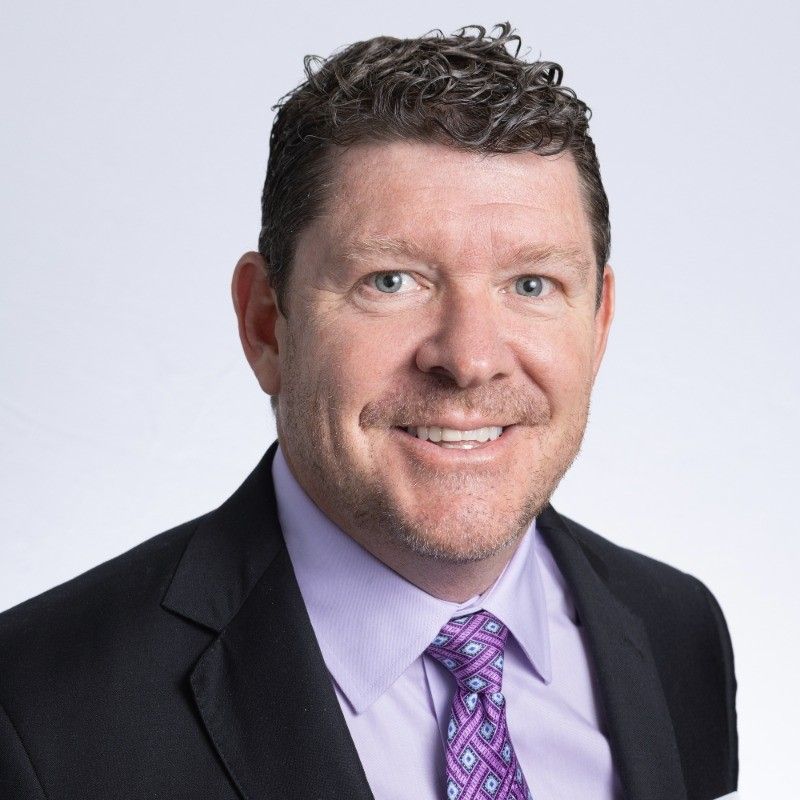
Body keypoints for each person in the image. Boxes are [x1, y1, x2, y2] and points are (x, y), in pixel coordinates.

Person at [0, 22, 738, 800]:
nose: (470, 358)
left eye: (530, 285)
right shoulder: (39, 713)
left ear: (598, 323)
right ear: (266, 323)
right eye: (392, 281)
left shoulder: (677, 632)